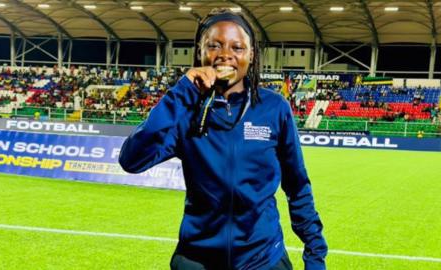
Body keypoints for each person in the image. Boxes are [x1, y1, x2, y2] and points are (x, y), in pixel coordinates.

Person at [119, 9, 327, 270]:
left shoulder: (274, 108)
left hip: (263, 259)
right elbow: (131, 160)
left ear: (251, 55)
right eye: (214, 45)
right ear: (200, 52)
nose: (225, 54)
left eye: (237, 47)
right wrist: (179, 95)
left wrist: (315, 255)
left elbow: (297, 187)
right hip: (197, 260)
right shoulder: (185, 110)